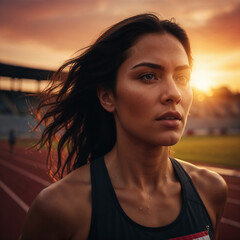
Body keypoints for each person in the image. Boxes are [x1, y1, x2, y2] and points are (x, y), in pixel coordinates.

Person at [20, 14, 227, 240]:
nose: (174, 94)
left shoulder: (211, 190)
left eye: (182, 78)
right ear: (107, 96)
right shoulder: (61, 208)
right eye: (148, 76)